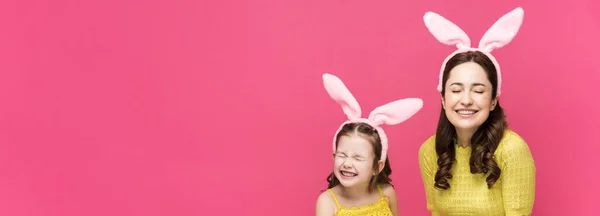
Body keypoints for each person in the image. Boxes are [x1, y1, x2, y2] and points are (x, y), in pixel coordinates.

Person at [418, 7, 536, 216]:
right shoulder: (430, 151)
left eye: (478, 90)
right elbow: (435, 212)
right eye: (456, 90)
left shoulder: (511, 149)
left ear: (493, 101)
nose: (466, 100)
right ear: (443, 99)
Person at [315, 73, 423, 216]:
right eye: (342, 155)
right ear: (334, 156)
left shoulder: (387, 194)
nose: (347, 163)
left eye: (358, 158)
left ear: (377, 167)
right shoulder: (327, 202)